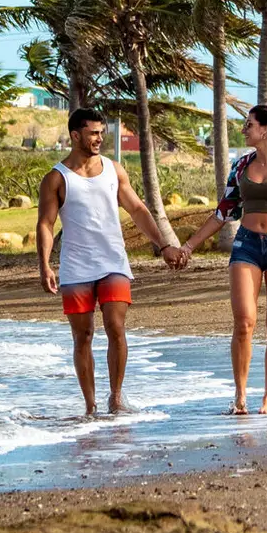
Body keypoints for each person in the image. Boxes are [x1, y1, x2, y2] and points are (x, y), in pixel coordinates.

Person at [174, 104, 267, 415]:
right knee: (244, 322)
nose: (244, 130)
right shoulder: (242, 165)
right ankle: (240, 396)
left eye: (249, 124)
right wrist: (188, 246)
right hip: (245, 245)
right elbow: (223, 212)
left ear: (265, 129)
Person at [36, 107, 187, 417]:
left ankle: (115, 398)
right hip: (76, 266)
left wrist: (163, 246)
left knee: (115, 327)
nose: (99, 138)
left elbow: (138, 210)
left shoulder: (114, 170)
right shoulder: (56, 178)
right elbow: (45, 225)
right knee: (84, 337)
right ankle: (90, 405)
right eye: (93, 133)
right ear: (75, 135)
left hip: (113, 263)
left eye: (102, 133)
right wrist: (45, 264)